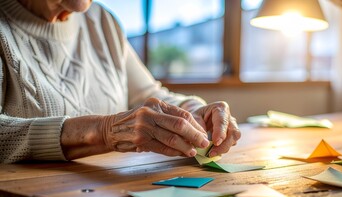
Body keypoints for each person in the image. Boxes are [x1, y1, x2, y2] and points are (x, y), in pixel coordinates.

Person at [0, 0, 241, 163]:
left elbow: (149, 95)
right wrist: (104, 132)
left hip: (109, 194)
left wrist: (193, 112)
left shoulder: (101, 20)